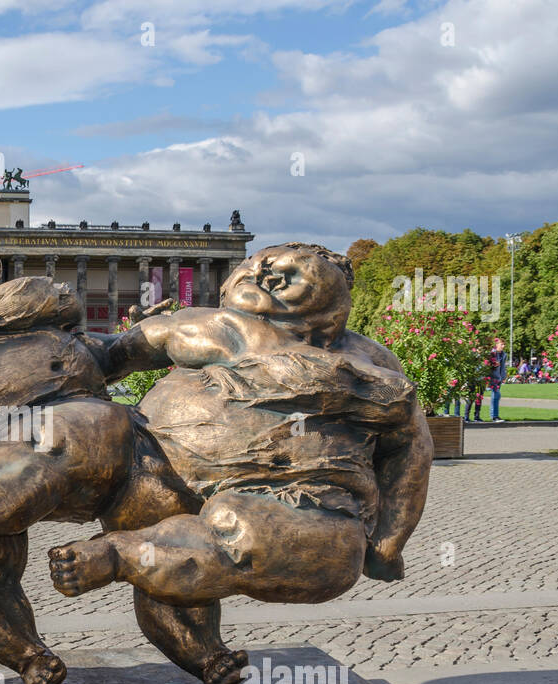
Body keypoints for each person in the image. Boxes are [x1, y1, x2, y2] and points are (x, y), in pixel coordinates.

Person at [48, 243, 432, 625]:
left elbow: (411, 445)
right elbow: (106, 355)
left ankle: (121, 557)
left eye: (282, 274)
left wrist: (389, 539)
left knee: (305, 547)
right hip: (147, 461)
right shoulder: (198, 324)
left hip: (293, 498)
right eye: (255, 266)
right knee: (78, 432)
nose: (262, 275)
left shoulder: (371, 362)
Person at [487, 337, 507, 422]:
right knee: (496, 396)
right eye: (501, 344)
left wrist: (503, 377)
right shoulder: (492, 353)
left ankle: (495, 416)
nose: (503, 346)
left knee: (496, 397)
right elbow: (487, 366)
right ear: (496, 345)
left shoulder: (503, 354)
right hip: (492, 378)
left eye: (504, 344)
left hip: (498, 378)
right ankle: (494, 416)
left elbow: (503, 367)